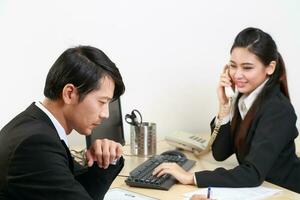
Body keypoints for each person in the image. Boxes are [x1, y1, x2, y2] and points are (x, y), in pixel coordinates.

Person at [153, 27, 300, 193]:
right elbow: (220, 153)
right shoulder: (244, 99)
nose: (237, 75)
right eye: (233, 66)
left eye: (247, 67)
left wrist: (191, 178)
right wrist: (224, 106)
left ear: (270, 67)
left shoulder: (277, 110)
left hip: (288, 190)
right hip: (266, 187)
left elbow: (253, 174)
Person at [0, 46, 125, 199]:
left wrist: (106, 159)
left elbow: (81, 190)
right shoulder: (35, 144)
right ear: (69, 93)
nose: (105, 114)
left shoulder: (37, 127)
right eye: (101, 102)